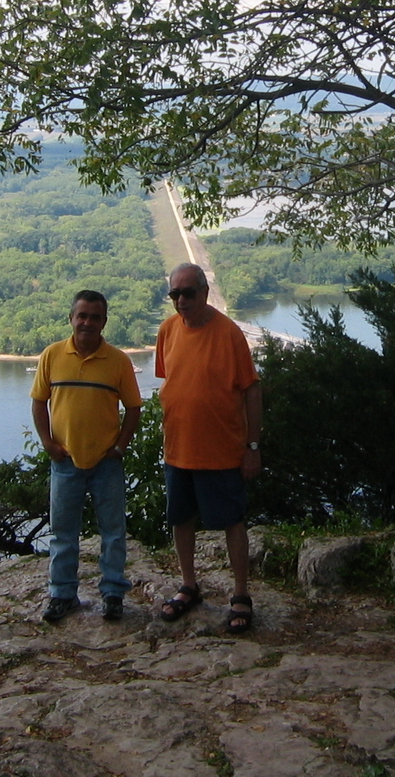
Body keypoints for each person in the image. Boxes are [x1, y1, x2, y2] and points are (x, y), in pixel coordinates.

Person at [153, 262, 262, 632]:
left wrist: (252, 446)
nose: (181, 301)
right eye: (175, 295)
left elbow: (251, 389)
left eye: (188, 293)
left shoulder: (229, 334)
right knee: (181, 519)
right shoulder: (167, 331)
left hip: (222, 449)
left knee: (232, 521)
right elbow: (172, 381)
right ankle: (188, 585)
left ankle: (241, 595)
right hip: (178, 448)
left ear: (204, 292)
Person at [30, 289, 143, 623]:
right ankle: (62, 594)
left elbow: (134, 408)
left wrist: (120, 447)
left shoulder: (119, 361)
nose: (87, 322)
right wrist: (48, 443)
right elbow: (39, 401)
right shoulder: (52, 355)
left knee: (113, 532)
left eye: (95, 317)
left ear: (104, 322)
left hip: (106, 463)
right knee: (63, 532)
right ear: (71, 318)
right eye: (82, 315)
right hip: (65, 462)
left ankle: (112, 593)